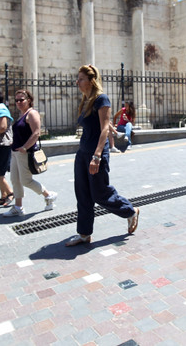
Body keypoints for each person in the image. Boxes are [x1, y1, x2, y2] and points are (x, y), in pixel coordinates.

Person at [66, 64, 139, 246]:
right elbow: (102, 124)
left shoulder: (102, 99)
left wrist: (97, 156)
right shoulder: (86, 101)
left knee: (99, 193)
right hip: (82, 153)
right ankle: (84, 234)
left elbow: (104, 127)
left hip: (95, 153)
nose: (77, 81)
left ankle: (130, 211)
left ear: (91, 81)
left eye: (81, 78)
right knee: (82, 194)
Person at [5, 89, 57, 217]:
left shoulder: (32, 113)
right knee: (15, 180)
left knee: (26, 181)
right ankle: (18, 206)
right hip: (15, 152)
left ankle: (48, 195)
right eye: (16, 100)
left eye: (21, 99)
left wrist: (24, 147)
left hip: (24, 152)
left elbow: (36, 133)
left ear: (29, 100)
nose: (19, 102)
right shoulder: (22, 115)